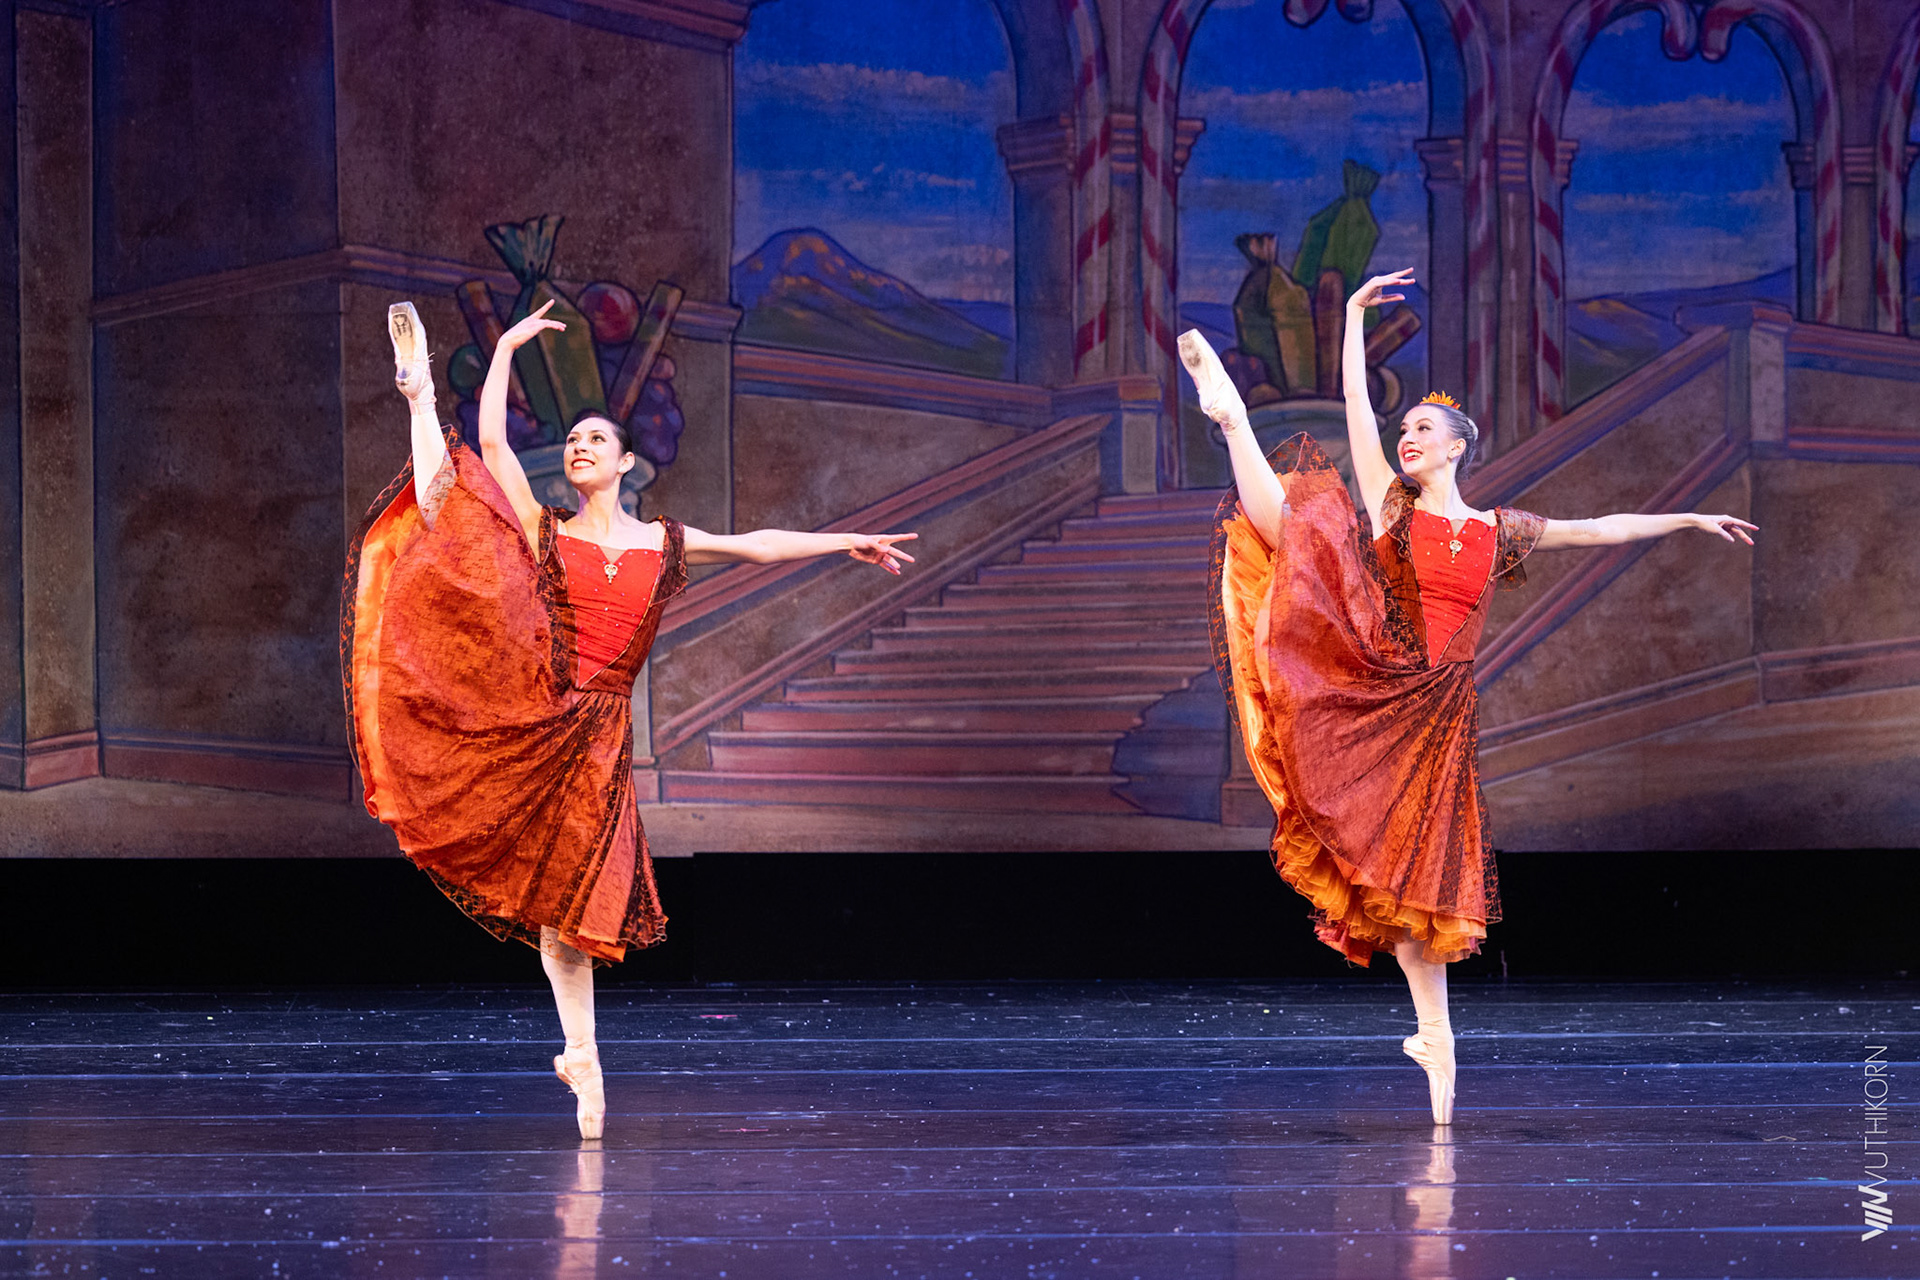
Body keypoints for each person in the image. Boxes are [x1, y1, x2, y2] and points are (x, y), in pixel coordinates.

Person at [1181, 268, 1755, 1124]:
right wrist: (1351, 317)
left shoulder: (1498, 531)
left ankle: (1436, 1038)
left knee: (1420, 877)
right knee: (1307, 533)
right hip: (1373, 677)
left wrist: (1688, 519)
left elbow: (1598, 529)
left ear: (1456, 448)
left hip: (1437, 716)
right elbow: (1354, 406)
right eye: (1405, 427)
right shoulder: (1394, 507)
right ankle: (1232, 419)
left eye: (1423, 429)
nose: (1406, 437)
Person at [344, 300, 916, 1140]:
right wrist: (504, 348)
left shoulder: (663, 544)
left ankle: (582, 1055)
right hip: (538, 717)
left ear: (625, 463)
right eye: (572, 440)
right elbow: (496, 445)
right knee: (454, 508)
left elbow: (757, 543)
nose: (579, 447)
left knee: (570, 910)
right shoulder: (547, 532)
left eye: (594, 440)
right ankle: (419, 394)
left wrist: (845, 542)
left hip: (600, 741)